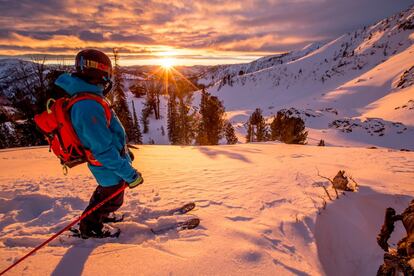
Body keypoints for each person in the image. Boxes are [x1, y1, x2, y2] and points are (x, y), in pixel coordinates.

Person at [54, 49, 143, 238]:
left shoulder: (88, 98)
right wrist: (130, 174)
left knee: (106, 192)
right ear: (100, 73)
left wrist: (124, 154)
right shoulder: (88, 106)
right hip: (106, 164)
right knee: (111, 197)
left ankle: (99, 216)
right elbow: (102, 149)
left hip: (109, 163)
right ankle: (91, 227)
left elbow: (106, 138)